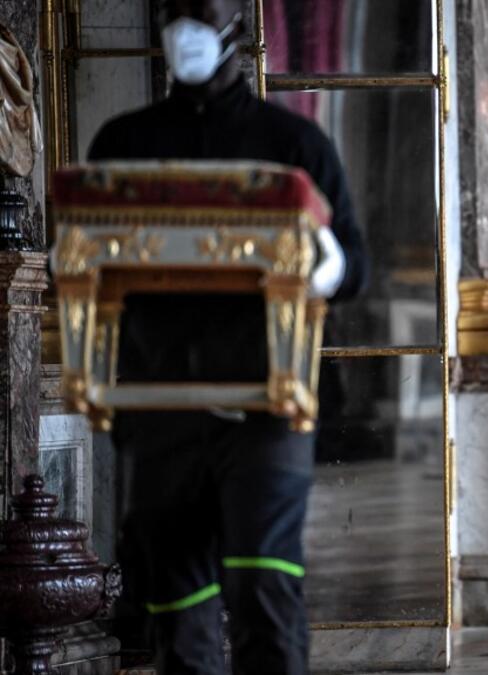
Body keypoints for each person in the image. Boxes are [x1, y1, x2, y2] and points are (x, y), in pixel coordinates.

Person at [87, 0, 366, 672]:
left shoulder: (294, 146)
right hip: (161, 411)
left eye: (203, 13)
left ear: (238, 28)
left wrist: (323, 266)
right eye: (177, 12)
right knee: (179, 614)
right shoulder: (125, 144)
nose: (188, 29)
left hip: (265, 409)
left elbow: (355, 262)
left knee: (263, 590)